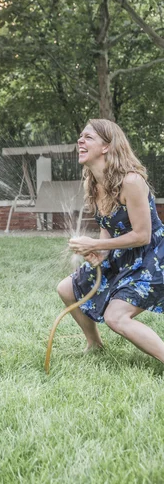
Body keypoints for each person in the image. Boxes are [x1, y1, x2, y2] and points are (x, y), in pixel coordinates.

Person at [57, 118, 164, 364]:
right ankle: (95, 345)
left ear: (106, 146)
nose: (80, 141)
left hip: (153, 258)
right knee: (66, 288)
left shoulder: (132, 181)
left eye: (88, 137)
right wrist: (99, 253)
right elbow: (108, 231)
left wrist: (95, 245)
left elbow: (142, 235)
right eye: (80, 137)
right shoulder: (94, 184)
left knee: (116, 317)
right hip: (123, 256)